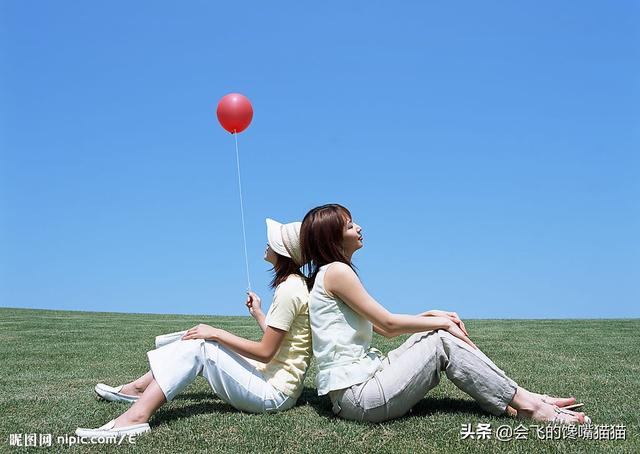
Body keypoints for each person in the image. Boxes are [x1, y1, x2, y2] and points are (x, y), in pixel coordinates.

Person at [299, 203, 591, 424]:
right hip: (359, 398)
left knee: (435, 333)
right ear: (332, 238)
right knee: (441, 340)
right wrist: (441, 322)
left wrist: (432, 316)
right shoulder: (337, 272)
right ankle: (531, 406)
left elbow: (382, 327)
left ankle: (516, 399)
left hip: (361, 384)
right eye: (350, 226)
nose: (359, 227)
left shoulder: (332, 274)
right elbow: (387, 324)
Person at [76, 218, 311, 437]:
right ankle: (137, 389)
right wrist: (259, 313)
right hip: (269, 377)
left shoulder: (290, 290)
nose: (267, 242)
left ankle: (136, 417)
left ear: (283, 252)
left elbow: (265, 351)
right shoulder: (292, 286)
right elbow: (282, 342)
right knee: (197, 337)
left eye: (273, 240)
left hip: (274, 393)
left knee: (201, 345)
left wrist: (217, 333)